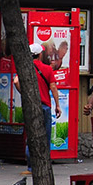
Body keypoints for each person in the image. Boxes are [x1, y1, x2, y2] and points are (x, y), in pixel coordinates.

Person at [25, 41, 60, 170]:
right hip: (45, 106)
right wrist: (57, 105)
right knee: (45, 136)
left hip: (31, 107)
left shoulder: (26, 69)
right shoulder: (47, 69)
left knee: (31, 136)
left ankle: (31, 166)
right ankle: (44, 165)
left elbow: (16, 81)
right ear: (40, 54)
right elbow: (53, 87)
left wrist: (23, 93)